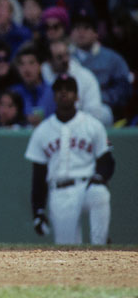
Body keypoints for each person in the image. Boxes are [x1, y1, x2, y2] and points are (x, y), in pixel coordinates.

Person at [24, 74, 114, 245]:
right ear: (54, 95)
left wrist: (100, 178)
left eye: (69, 90)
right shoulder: (42, 130)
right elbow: (38, 175)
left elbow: (106, 161)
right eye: (59, 90)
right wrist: (39, 211)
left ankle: (101, 243)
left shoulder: (92, 125)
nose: (64, 93)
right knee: (67, 248)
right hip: (60, 192)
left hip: (87, 185)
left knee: (100, 193)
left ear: (77, 96)